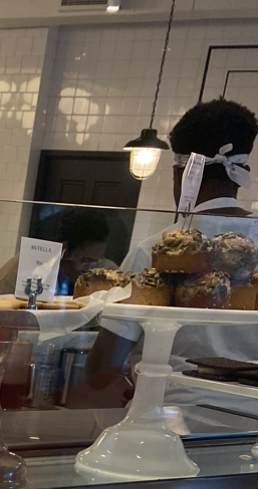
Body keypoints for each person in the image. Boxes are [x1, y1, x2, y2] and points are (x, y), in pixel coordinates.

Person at [84, 98, 258, 413]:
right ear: (243, 172)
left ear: (181, 173)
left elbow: (101, 372)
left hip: (169, 416)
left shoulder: (157, 250)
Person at [0, 208, 115, 296]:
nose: (90, 269)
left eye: (97, 260)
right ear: (64, 250)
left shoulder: (105, 271)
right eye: (86, 261)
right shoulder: (22, 270)